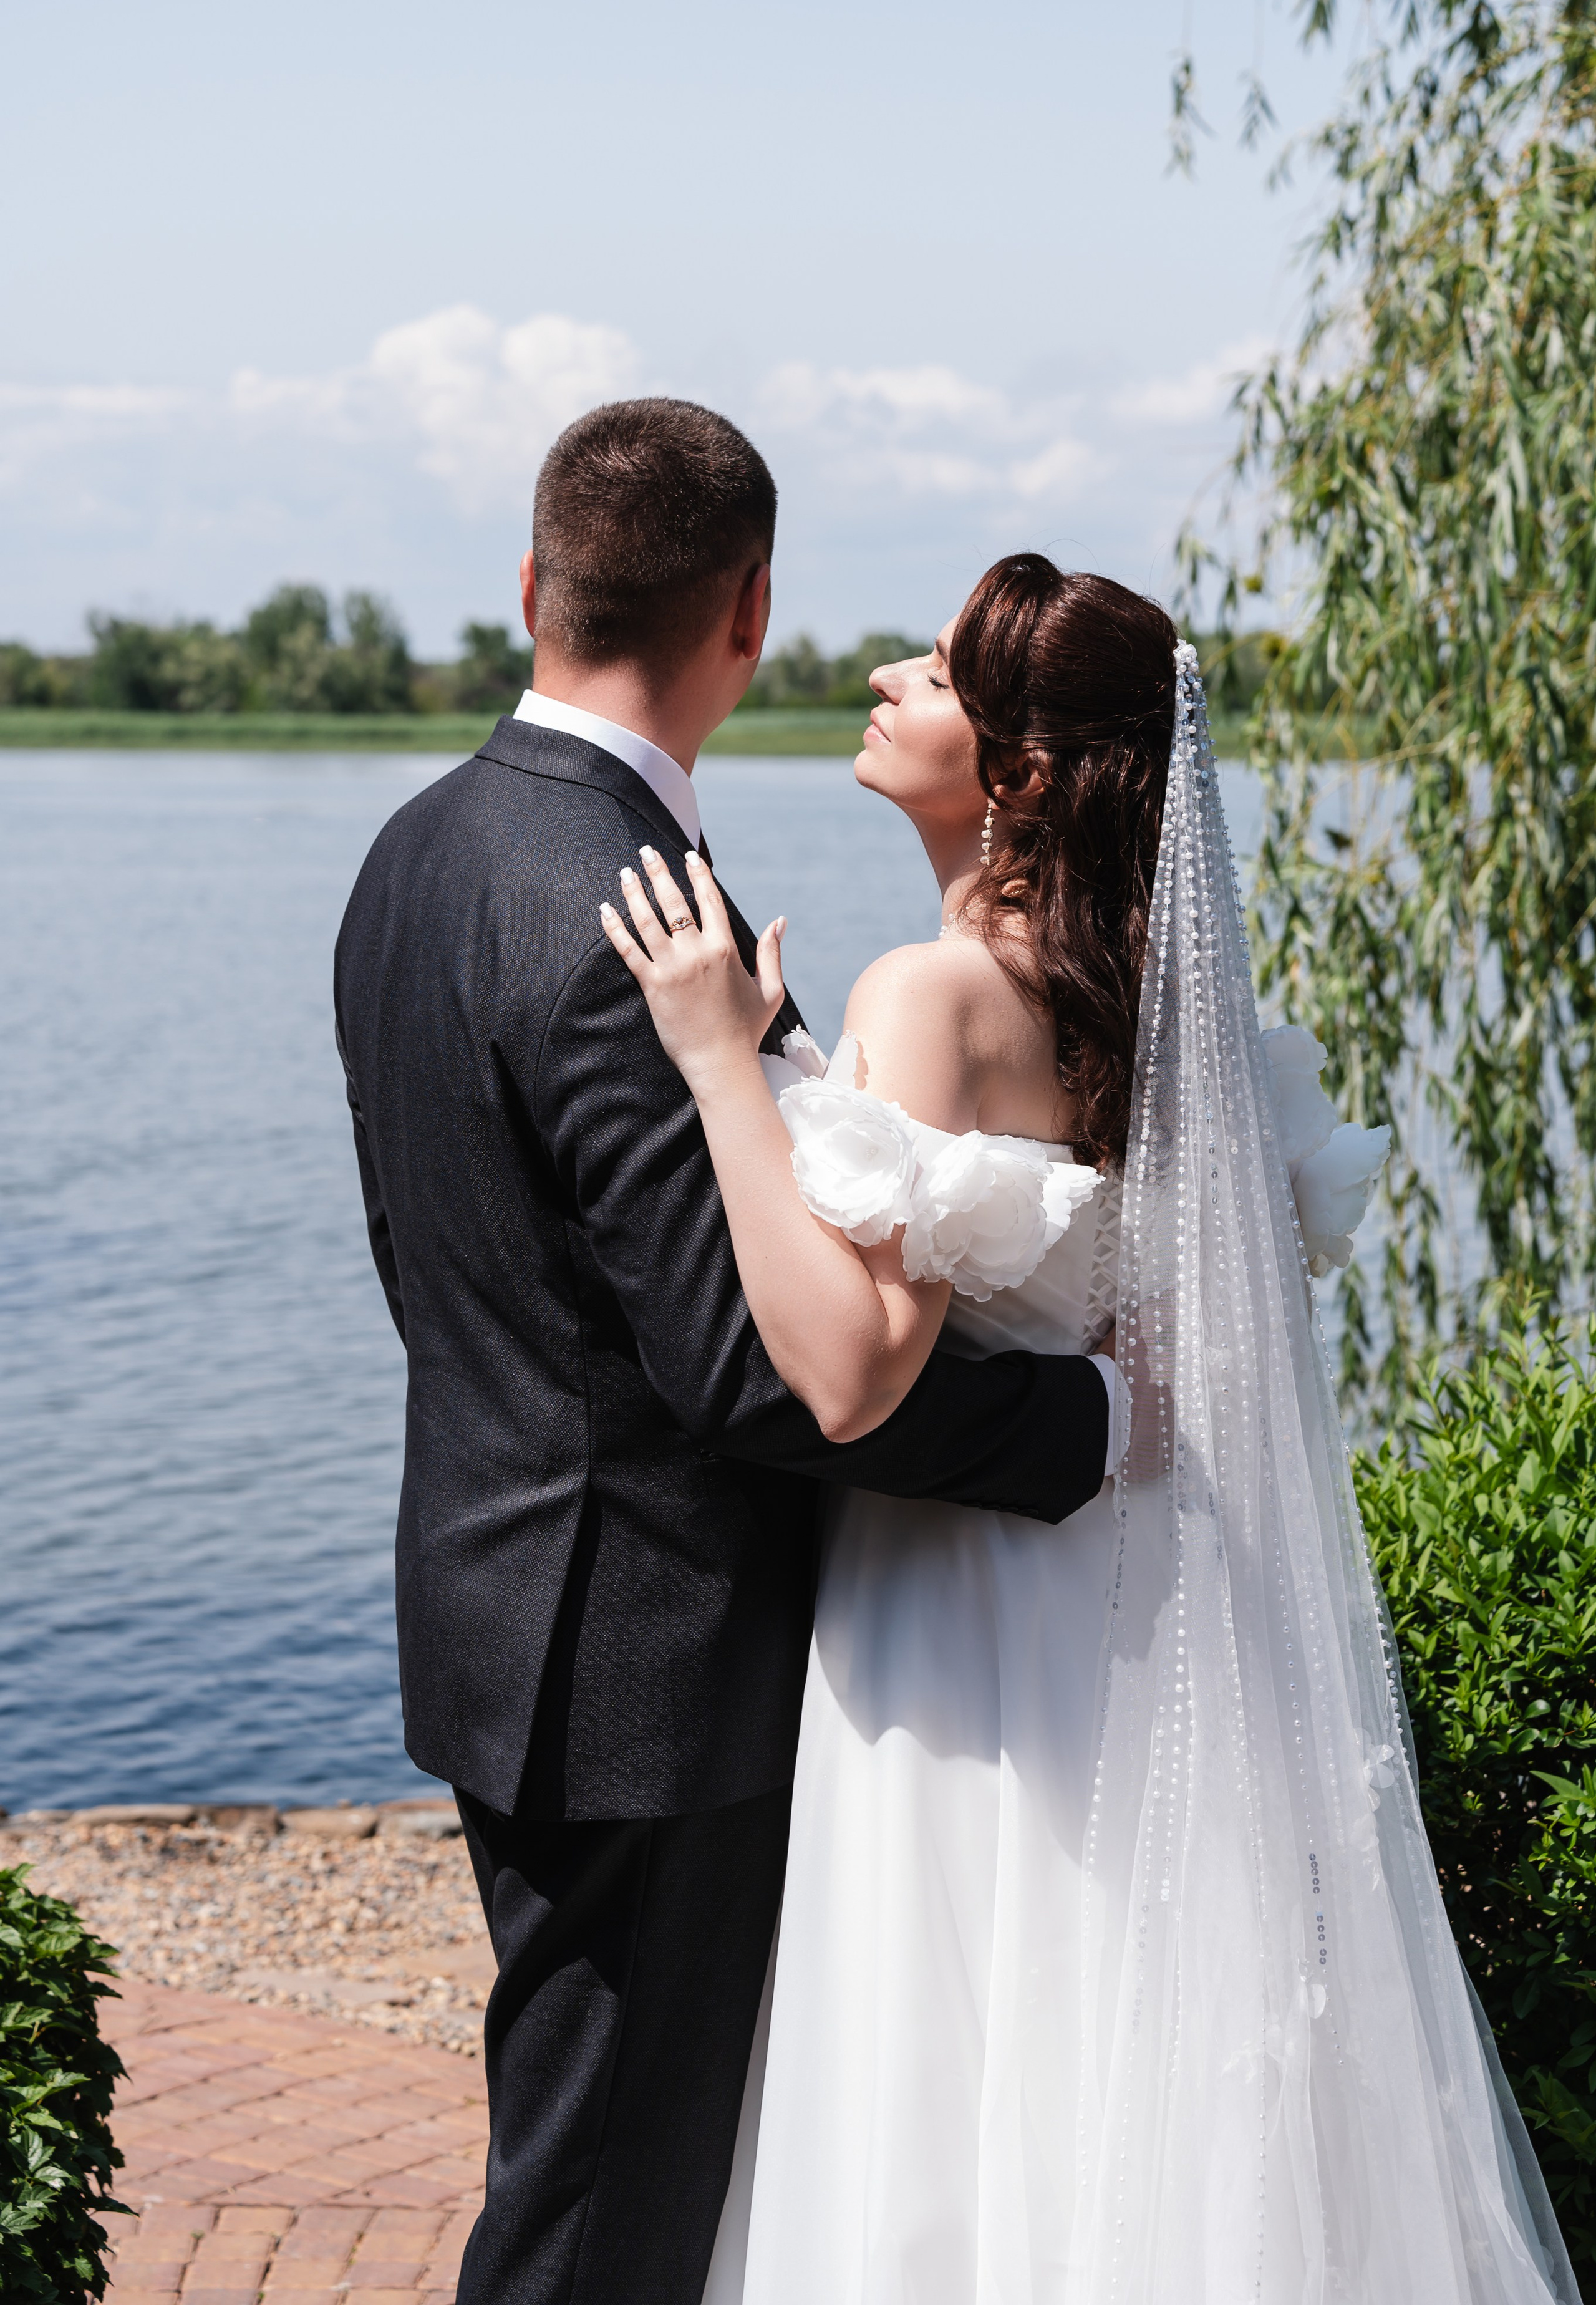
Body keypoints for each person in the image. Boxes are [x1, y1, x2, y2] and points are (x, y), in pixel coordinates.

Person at [606, 558, 1579, 2303]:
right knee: (1112, 2047)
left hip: (959, 1615)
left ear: (1025, 775)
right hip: (1140, 1615)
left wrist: (716, 1068)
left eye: (941, 672)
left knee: (952, 2057)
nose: (892, 677)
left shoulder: (932, 994)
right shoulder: (1160, 996)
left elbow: (849, 1369)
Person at [332, 402, 1114, 2305]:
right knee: (605, 2216)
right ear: (748, 611)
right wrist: (1081, 1429)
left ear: (531, 586)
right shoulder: (629, 905)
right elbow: (761, 1378)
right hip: (647, 1666)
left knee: (587, 2157)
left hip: (499, 1601)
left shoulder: (418, 851)